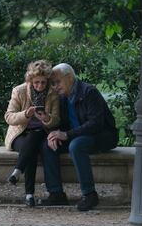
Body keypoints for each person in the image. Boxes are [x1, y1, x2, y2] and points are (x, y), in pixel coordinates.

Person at [40, 63, 118, 211]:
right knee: (47, 144)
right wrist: (51, 129)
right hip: (77, 135)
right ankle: (56, 194)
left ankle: (89, 195)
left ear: (69, 78)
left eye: (57, 82)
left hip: (100, 135)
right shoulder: (63, 97)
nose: (55, 87)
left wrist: (66, 134)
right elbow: (61, 123)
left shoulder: (89, 92)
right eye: (53, 84)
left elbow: (96, 124)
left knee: (76, 146)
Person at [4, 60, 60, 207]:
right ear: (30, 80)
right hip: (20, 133)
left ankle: (21, 178)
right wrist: (26, 115)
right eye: (36, 82)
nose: (40, 86)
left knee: (34, 139)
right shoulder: (19, 91)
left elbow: (57, 120)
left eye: (43, 82)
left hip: (42, 132)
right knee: (31, 146)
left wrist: (47, 118)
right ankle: (29, 193)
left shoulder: (52, 93)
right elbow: (9, 117)